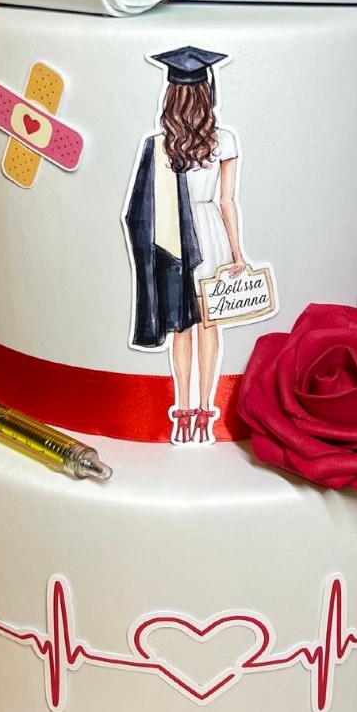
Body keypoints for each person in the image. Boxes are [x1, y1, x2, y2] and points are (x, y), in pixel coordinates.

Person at [123, 46, 246, 443]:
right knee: (209, 326)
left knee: (182, 328)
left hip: (173, 237)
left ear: (171, 97)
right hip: (210, 235)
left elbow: (142, 210)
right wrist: (237, 253)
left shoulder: (161, 145)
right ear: (208, 94)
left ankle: (183, 411)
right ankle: (206, 410)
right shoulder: (224, 141)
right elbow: (227, 201)